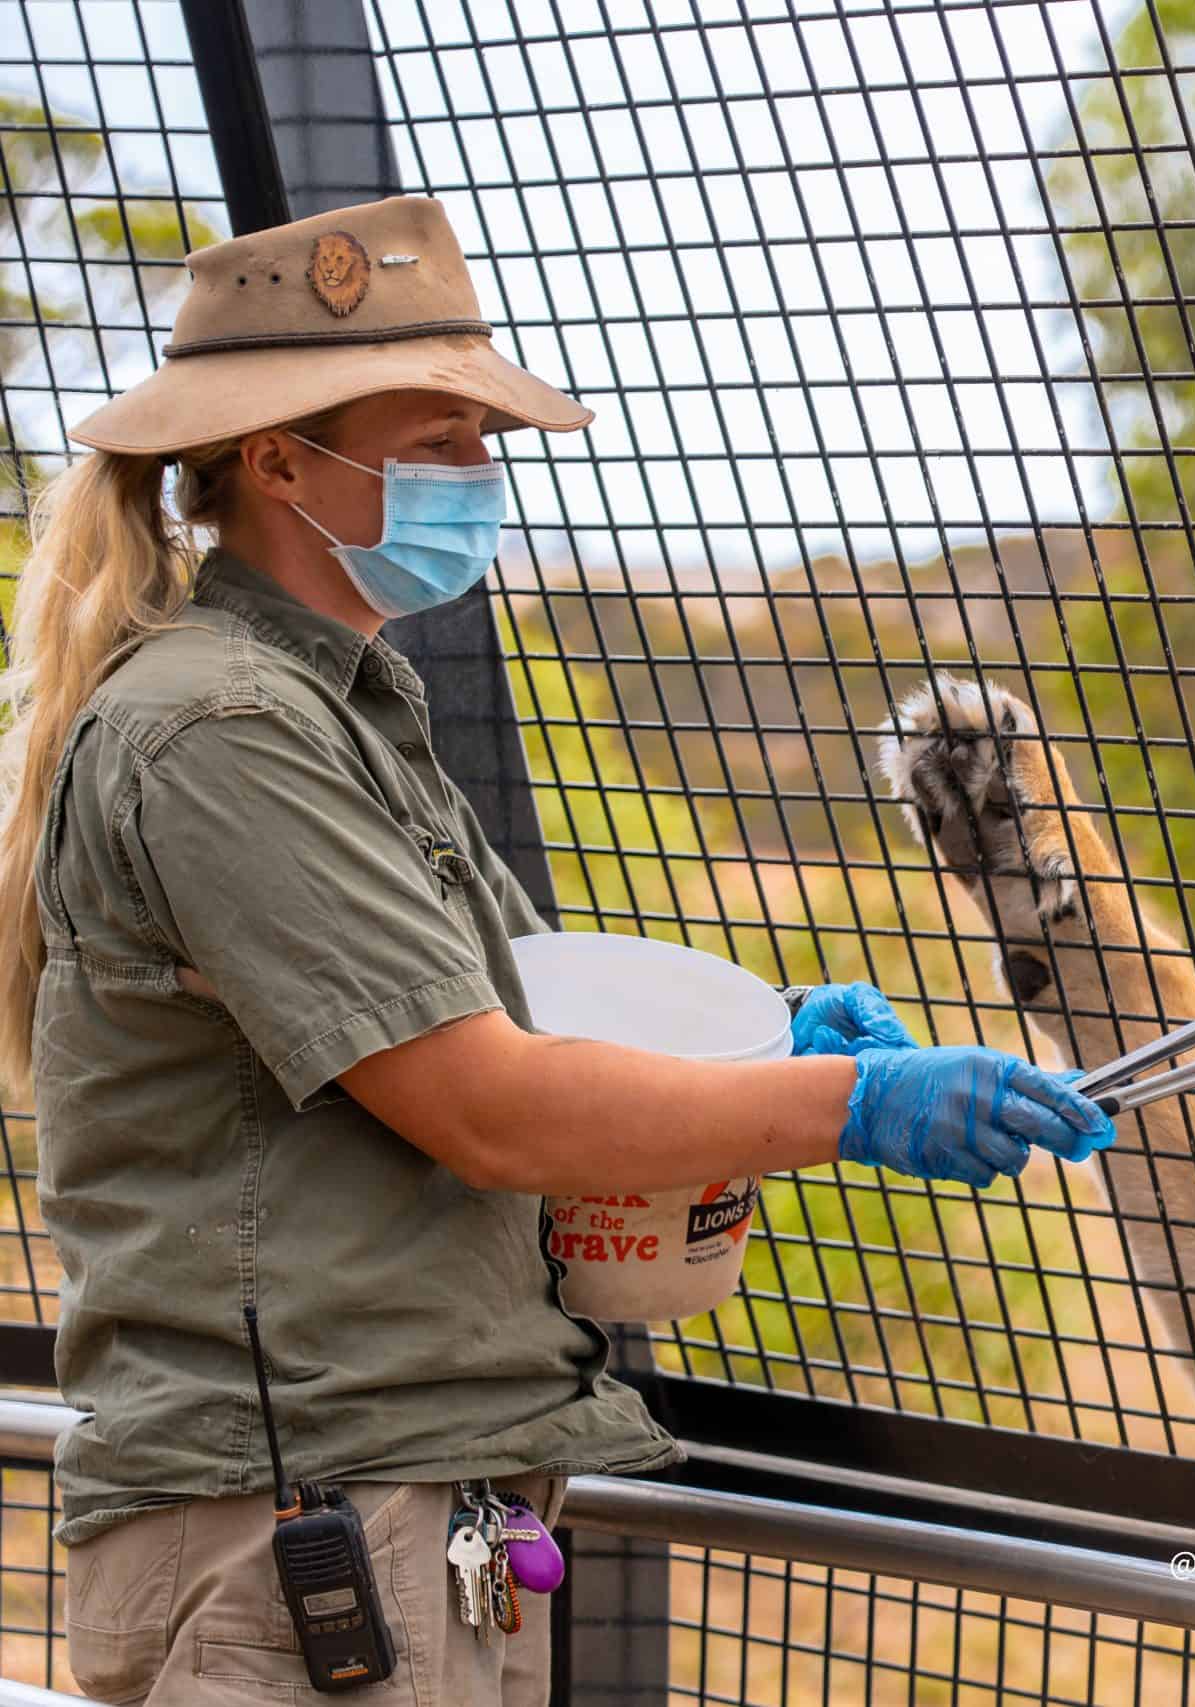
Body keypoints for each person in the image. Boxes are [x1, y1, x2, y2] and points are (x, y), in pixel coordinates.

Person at [0, 195, 1113, 1704]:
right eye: (441, 437)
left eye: (486, 439)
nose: (484, 474)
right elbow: (491, 1104)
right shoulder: (222, 730)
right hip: (311, 1530)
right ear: (276, 459)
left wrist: (782, 1037)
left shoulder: (334, 705)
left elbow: (535, 1007)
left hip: (397, 1504)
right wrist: (848, 1111)